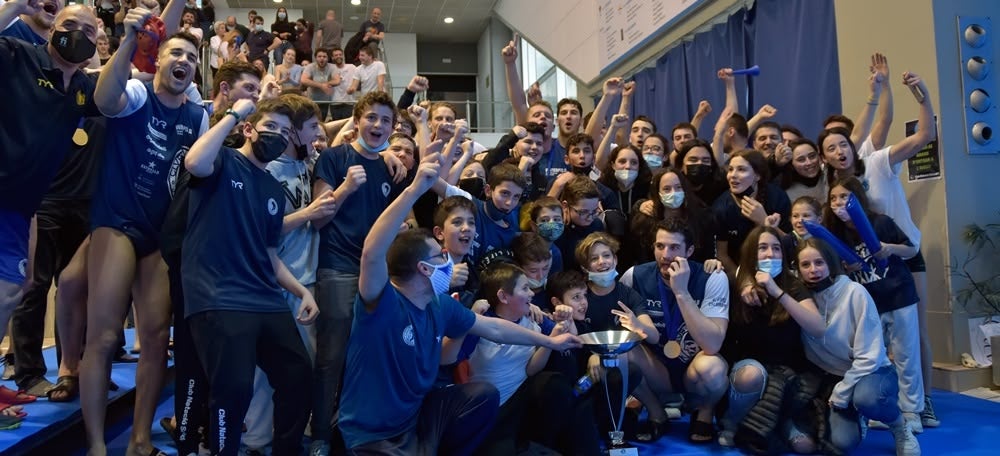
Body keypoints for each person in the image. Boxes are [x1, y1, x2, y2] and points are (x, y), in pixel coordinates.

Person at [338, 147, 581, 453]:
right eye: (440, 255)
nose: (448, 258)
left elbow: (494, 328)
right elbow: (372, 252)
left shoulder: (440, 305)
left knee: (482, 394)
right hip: (373, 433)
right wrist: (413, 191)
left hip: (418, 419)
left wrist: (551, 342)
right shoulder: (382, 301)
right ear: (423, 268)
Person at [80, 2, 207, 454]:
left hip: (159, 235)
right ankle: (96, 444)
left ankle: (138, 440)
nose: (184, 62)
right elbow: (102, 100)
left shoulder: (197, 116)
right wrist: (130, 39)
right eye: (176, 53)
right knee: (106, 335)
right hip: (117, 223)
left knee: (155, 338)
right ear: (159, 58)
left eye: (192, 58)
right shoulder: (135, 91)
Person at [0, 0, 103, 403]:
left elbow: (122, 91)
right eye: (69, 24)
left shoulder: (82, 87)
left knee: (14, 291)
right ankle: (24, 372)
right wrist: (13, 6)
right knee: (12, 290)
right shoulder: (16, 55)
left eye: (89, 29)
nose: (78, 34)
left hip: (22, 206)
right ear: (50, 28)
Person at [309, 91, 406, 455]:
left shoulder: (391, 168)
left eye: (386, 120)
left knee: (369, 357)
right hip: (337, 268)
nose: (378, 125)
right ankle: (319, 435)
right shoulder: (334, 158)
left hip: (378, 273)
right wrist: (347, 186)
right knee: (331, 357)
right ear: (357, 119)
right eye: (372, 118)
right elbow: (319, 218)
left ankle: (355, 434)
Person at [795, 238, 920, 456]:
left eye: (819, 262)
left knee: (868, 399)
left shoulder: (855, 293)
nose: (813, 270)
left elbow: (870, 357)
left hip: (870, 372)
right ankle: (855, 416)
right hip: (830, 376)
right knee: (841, 443)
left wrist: (843, 391)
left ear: (831, 262)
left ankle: (900, 426)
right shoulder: (800, 300)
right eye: (805, 265)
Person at [619, 219, 730, 443]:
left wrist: (682, 293)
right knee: (617, 353)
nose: (665, 254)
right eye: (660, 246)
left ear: (689, 250)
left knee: (715, 368)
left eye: (674, 247)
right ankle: (655, 411)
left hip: (693, 369)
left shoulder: (713, 277)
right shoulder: (634, 276)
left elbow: (713, 345)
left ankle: (705, 411)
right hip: (656, 368)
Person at [719, 226, 825, 451]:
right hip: (749, 371)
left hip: (787, 373)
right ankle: (732, 422)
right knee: (752, 375)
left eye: (776, 249)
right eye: (763, 248)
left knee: (805, 447)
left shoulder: (792, 285)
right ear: (751, 253)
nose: (770, 254)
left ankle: (781, 421)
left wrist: (777, 291)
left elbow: (817, 328)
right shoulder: (735, 283)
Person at [300, 47, 336, 120]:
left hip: (324, 101)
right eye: (319, 56)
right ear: (316, 58)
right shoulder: (310, 67)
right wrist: (321, 86)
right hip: (312, 101)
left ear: (328, 58)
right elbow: (303, 80)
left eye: (324, 56)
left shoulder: (332, 67)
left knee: (321, 122)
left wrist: (326, 84)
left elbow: (337, 80)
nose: (322, 58)